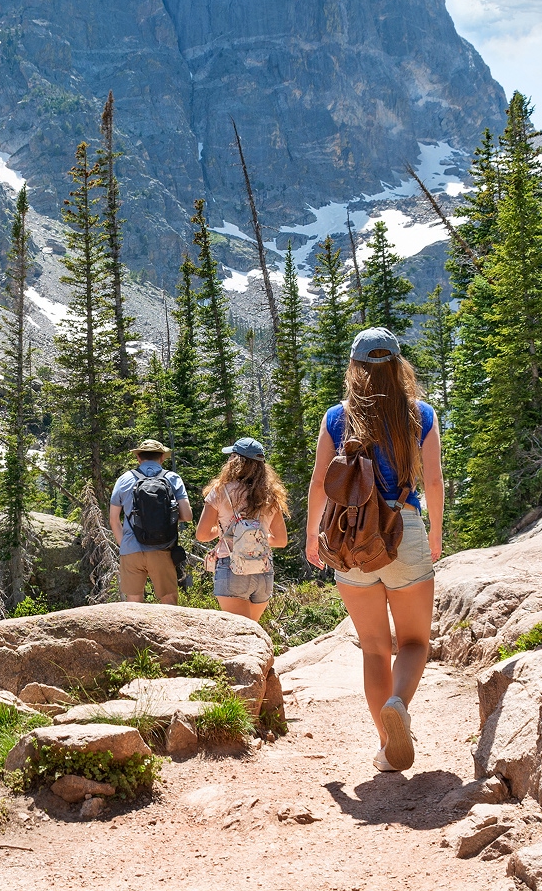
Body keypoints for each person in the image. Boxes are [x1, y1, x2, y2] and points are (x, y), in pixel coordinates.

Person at [306, 326, 444, 774]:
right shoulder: (419, 414)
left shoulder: (335, 417)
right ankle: (398, 704)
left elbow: (318, 484)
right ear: (398, 366)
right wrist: (435, 535)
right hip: (403, 528)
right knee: (414, 641)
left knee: (372, 647)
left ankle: (387, 747)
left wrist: (313, 536)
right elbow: (434, 483)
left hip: (351, 537)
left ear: (355, 367)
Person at [194, 437, 289, 621]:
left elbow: (202, 535)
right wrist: (254, 538)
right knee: (253, 631)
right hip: (263, 571)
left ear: (234, 462)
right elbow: (280, 540)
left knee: (240, 637)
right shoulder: (271, 495)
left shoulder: (221, 491)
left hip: (231, 568)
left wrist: (226, 533)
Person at [109, 439, 193, 604]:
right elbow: (187, 515)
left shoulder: (124, 479)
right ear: (162, 457)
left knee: (133, 603)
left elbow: (114, 519)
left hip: (131, 549)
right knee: (168, 600)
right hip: (162, 548)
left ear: (138, 457)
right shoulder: (172, 478)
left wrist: (125, 545)